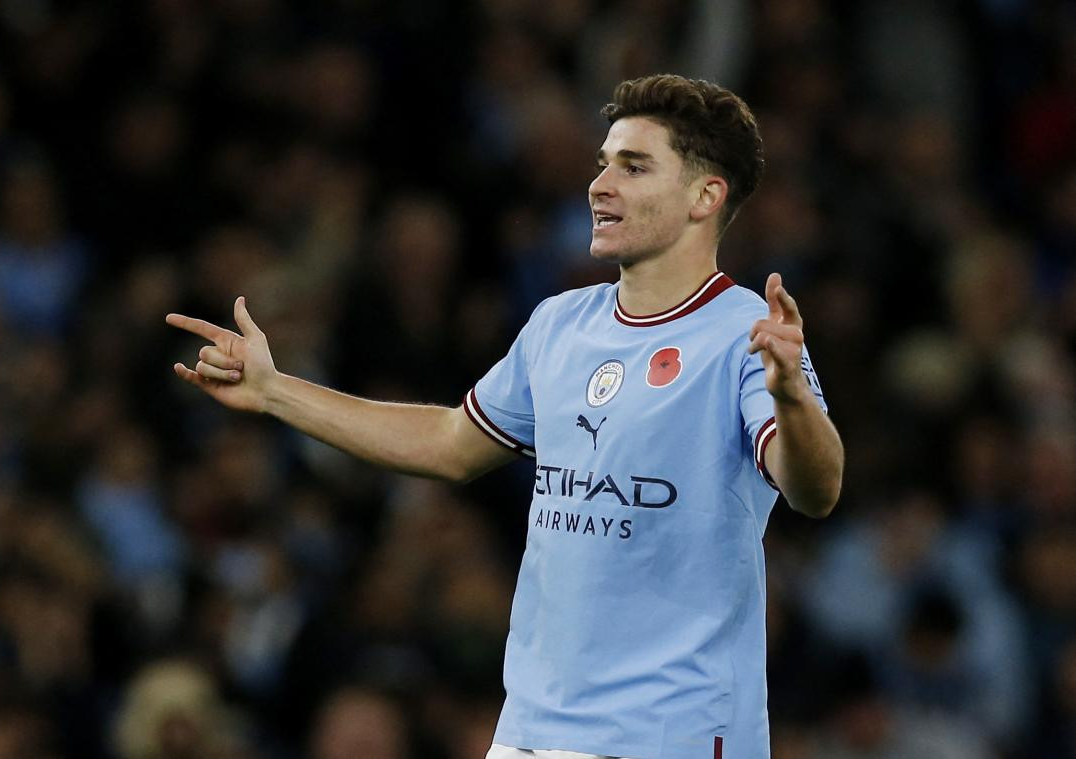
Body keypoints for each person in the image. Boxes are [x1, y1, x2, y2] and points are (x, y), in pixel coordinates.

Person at [167, 74, 844, 759]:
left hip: (673, 734)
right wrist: (277, 390)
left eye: (633, 167)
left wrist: (790, 394)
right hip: (533, 731)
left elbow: (813, 487)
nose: (600, 184)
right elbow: (448, 441)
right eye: (602, 162)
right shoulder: (560, 323)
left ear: (706, 195)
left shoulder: (745, 332)